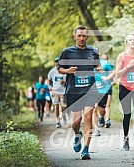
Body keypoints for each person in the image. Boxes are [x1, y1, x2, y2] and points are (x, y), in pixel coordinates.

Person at [58, 25, 101, 160]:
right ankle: (77, 134)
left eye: (84, 36)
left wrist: (99, 68)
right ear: (74, 36)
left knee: (88, 118)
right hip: (74, 90)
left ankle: (86, 149)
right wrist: (68, 71)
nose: (82, 38)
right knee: (76, 122)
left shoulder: (93, 51)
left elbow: (96, 64)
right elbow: (60, 69)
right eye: (79, 35)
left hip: (90, 89)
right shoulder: (67, 52)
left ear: (87, 37)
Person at [116, 34, 134, 151]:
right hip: (125, 88)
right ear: (126, 42)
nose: (132, 42)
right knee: (127, 115)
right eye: (130, 40)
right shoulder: (121, 56)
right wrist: (127, 66)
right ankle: (126, 138)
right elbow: (118, 74)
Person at [92, 53, 115, 136]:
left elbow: (113, 72)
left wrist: (107, 78)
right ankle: (96, 129)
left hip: (104, 89)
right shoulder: (87, 64)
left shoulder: (105, 63)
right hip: (93, 90)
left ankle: (101, 117)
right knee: (93, 109)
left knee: (102, 110)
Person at [47, 57, 67, 128]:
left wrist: (64, 82)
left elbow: (67, 80)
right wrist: (49, 86)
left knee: (63, 106)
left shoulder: (64, 71)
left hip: (62, 91)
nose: (57, 63)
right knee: (56, 106)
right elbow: (48, 80)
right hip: (54, 91)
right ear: (54, 63)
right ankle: (58, 121)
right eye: (56, 62)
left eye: (58, 62)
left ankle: (63, 116)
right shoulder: (52, 71)